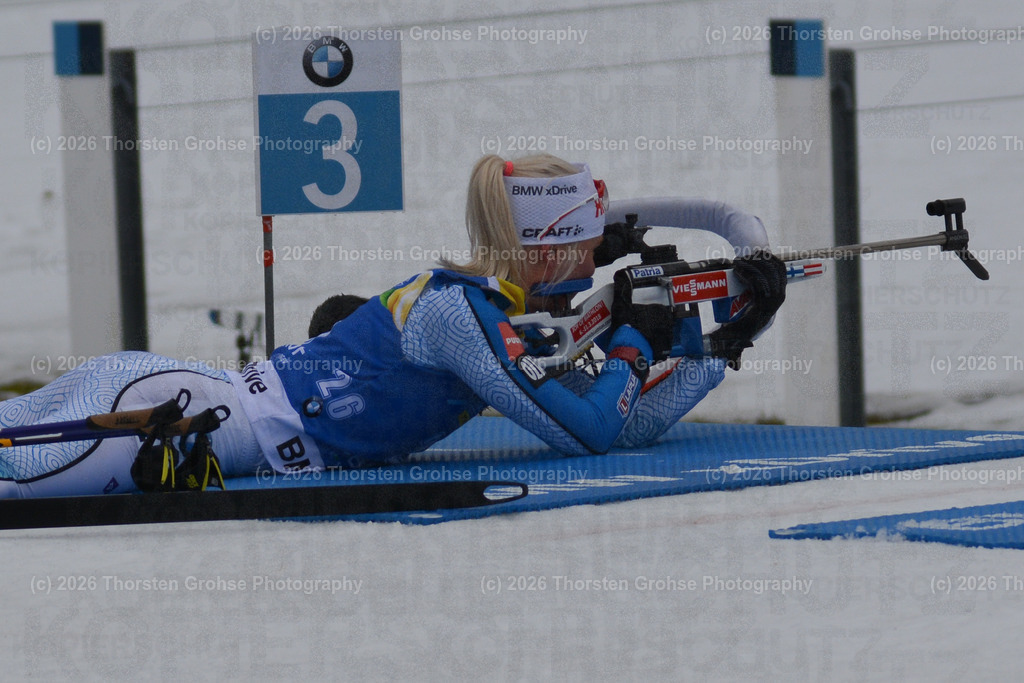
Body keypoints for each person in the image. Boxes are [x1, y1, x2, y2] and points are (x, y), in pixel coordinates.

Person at [0, 154, 785, 498]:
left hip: (174, 408)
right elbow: (590, 433)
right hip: (162, 417)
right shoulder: (460, 316)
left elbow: (627, 422)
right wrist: (633, 338)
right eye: (589, 237)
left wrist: (715, 343)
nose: (602, 251)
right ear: (547, 251)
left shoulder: (497, 317)